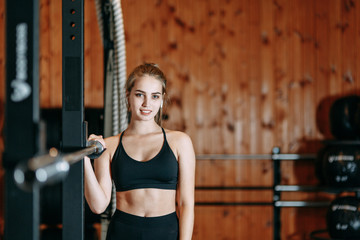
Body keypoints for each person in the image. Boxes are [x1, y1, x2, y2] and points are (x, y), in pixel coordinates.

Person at [84, 63, 196, 240]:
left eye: (154, 96)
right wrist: (84, 158)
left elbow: (186, 203)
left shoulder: (180, 142)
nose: (146, 103)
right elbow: (98, 206)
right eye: (139, 95)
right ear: (128, 96)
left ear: (161, 100)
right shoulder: (110, 146)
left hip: (166, 232)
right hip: (122, 232)